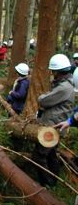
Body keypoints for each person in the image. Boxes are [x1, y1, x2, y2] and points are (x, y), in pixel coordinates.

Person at [32, 54, 75, 186]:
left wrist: (42, 97)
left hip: (52, 127)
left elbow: (44, 100)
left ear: (58, 71)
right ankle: (54, 180)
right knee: (51, 155)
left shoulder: (63, 88)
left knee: (39, 156)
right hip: (54, 125)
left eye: (53, 71)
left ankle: (46, 182)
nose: (52, 74)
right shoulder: (64, 84)